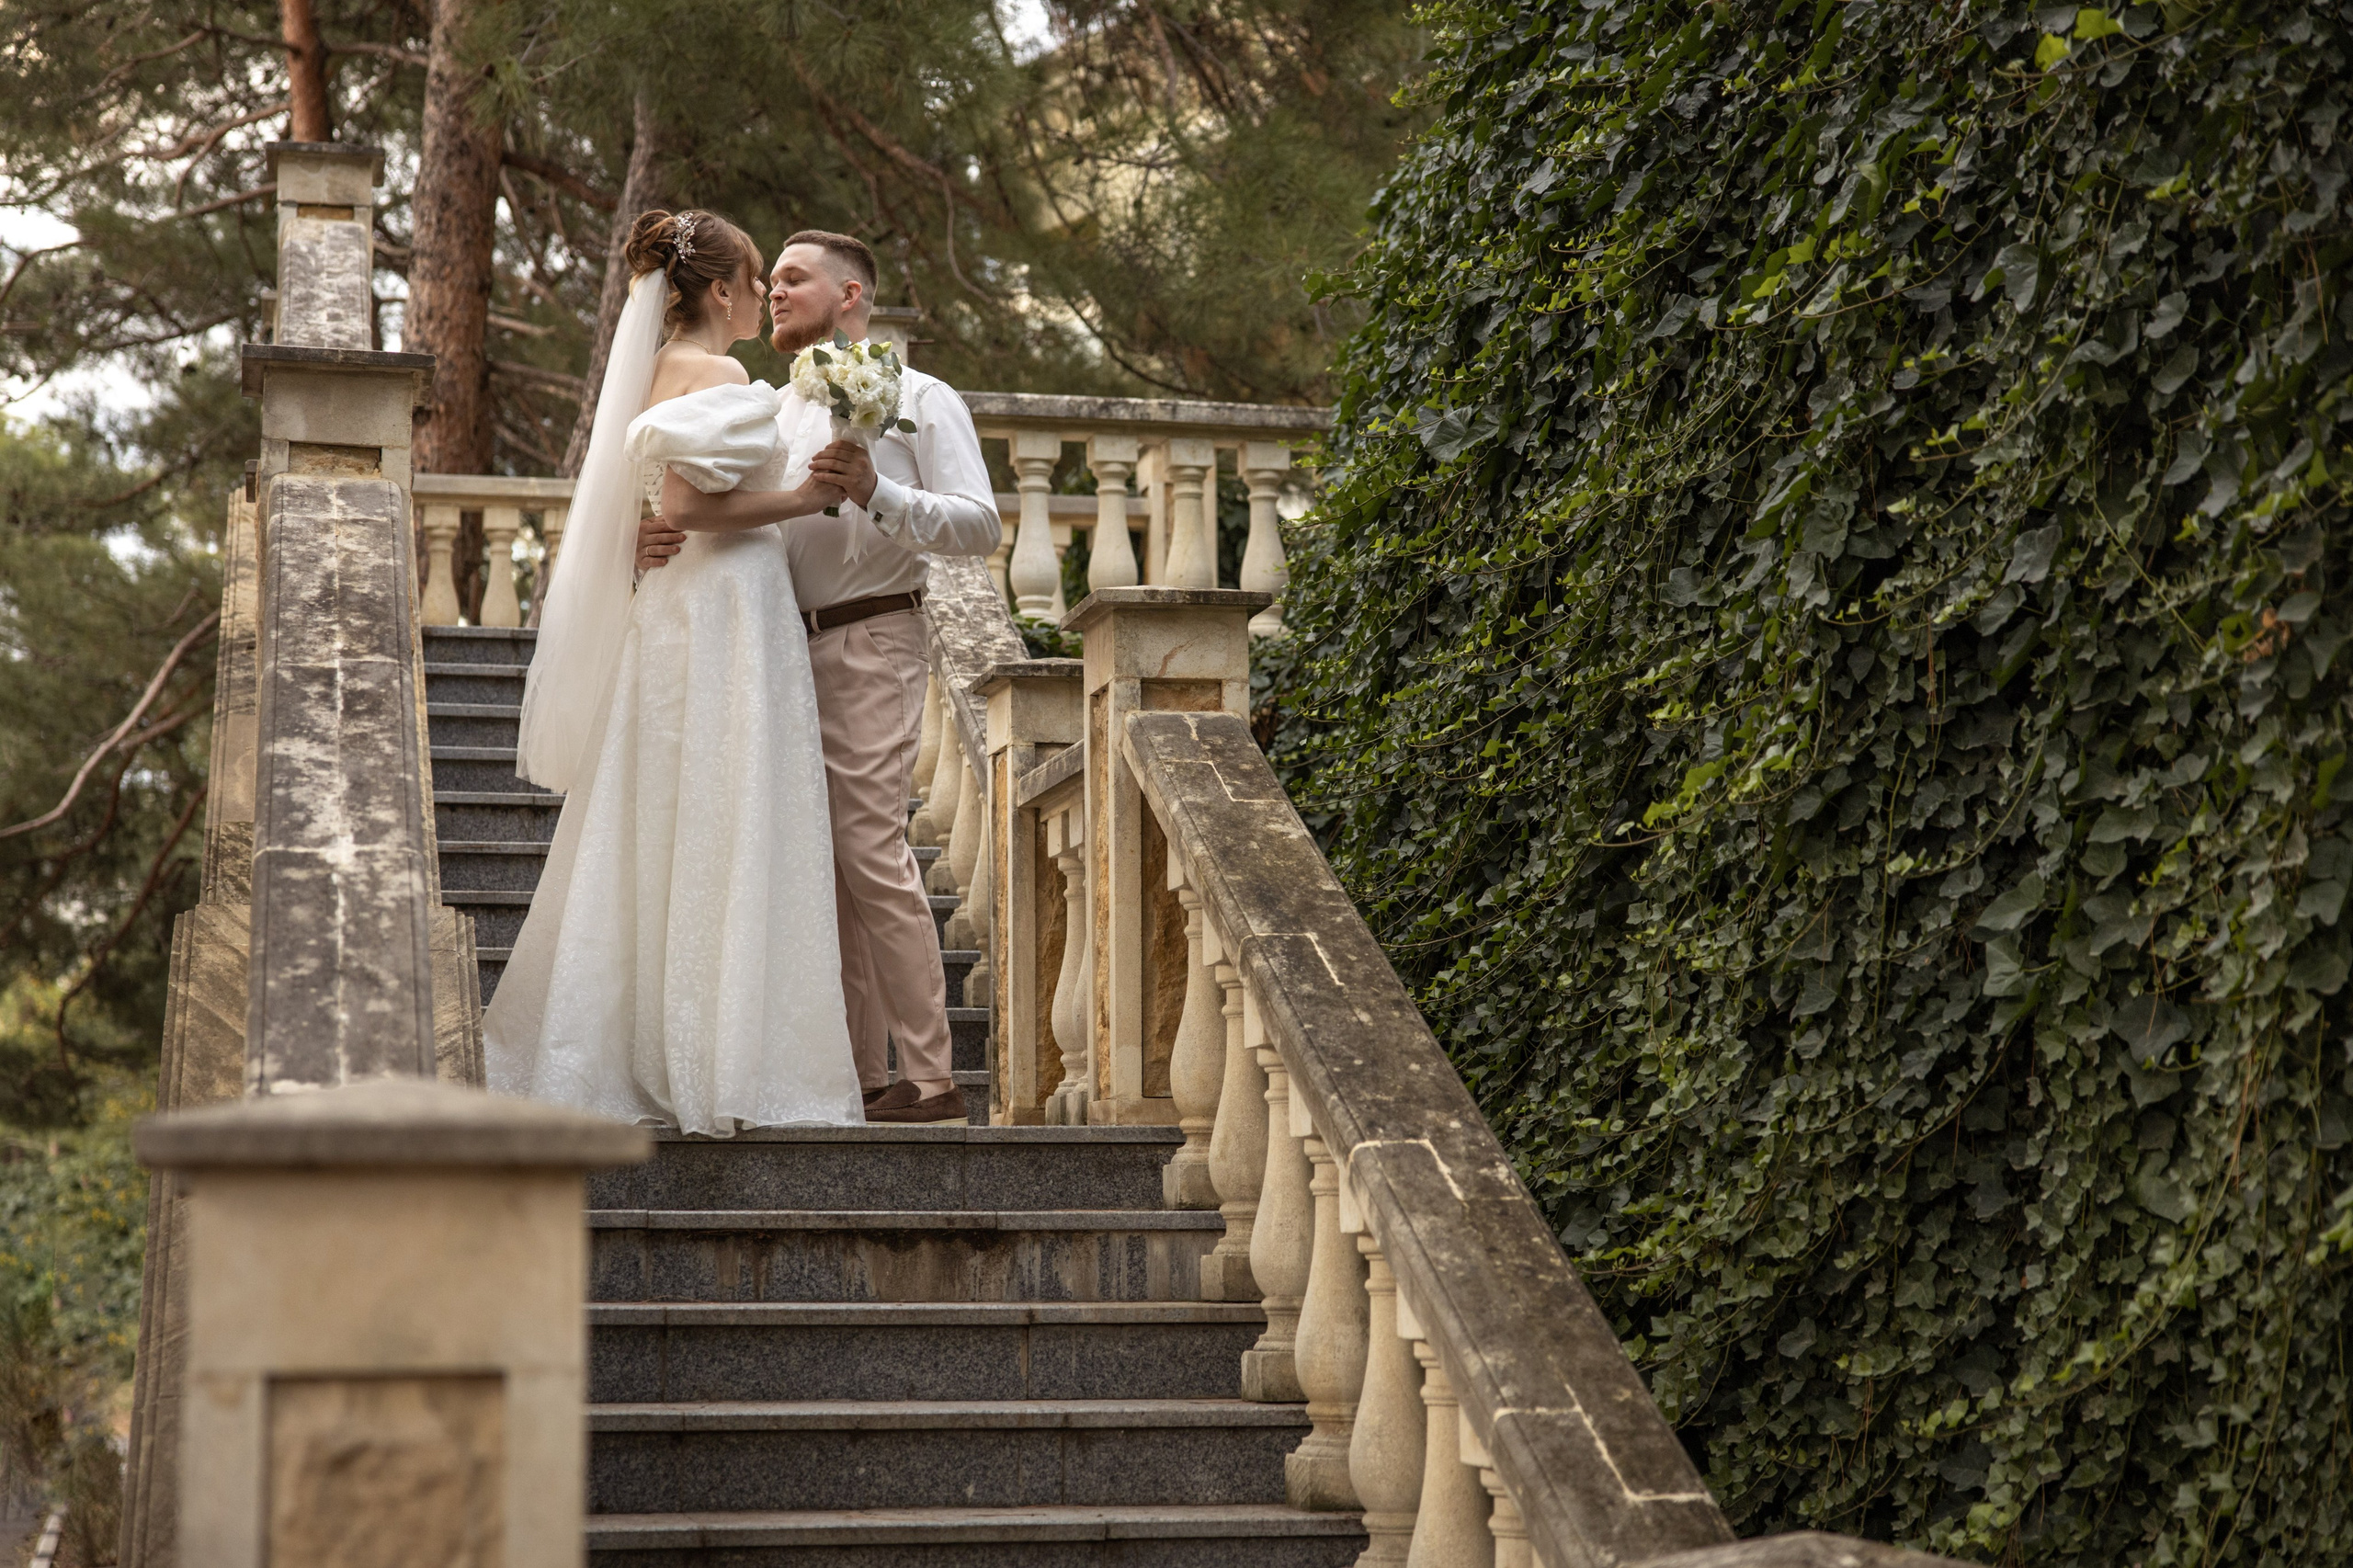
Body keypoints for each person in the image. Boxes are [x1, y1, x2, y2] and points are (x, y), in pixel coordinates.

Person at [483, 210, 866, 1133]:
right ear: (724, 288)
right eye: (751, 278)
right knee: (727, 810)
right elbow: (694, 502)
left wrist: (658, 527)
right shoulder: (725, 373)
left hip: (669, 609)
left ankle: (628, 1045)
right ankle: (721, 1060)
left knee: (659, 814)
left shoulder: (646, 376)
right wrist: (805, 497)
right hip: (727, 607)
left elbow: (651, 505)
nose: (757, 297)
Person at [637, 231, 1000, 1124]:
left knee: (871, 851)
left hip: (871, 638)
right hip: (771, 651)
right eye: (771, 280)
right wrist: (654, 534)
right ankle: (862, 1076)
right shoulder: (768, 402)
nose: (775, 292)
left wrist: (879, 490)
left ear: (851, 296)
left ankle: (934, 1078)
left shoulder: (921, 397)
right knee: (825, 869)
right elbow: (719, 503)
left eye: (794, 278)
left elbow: (980, 525)